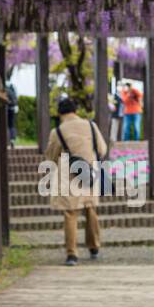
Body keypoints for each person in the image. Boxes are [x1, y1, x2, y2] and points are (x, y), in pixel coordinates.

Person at [45, 97, 107, 266]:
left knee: (71, 213)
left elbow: (51, 156)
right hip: (89, 173)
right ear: (75, 111)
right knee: (90, 209)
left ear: (60, 113)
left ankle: (72, 254)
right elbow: (102, 149)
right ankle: (94, 247)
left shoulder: (57, 131)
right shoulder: (91, 126)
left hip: (69, 176)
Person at [5, 79, 19, 146]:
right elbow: (16, 98)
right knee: (12, 125)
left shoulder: (5, 88)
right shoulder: (12, 87)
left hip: (7, 108)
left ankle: (7, 140)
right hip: (13, 108)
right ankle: (12, 139)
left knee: (6, 124)